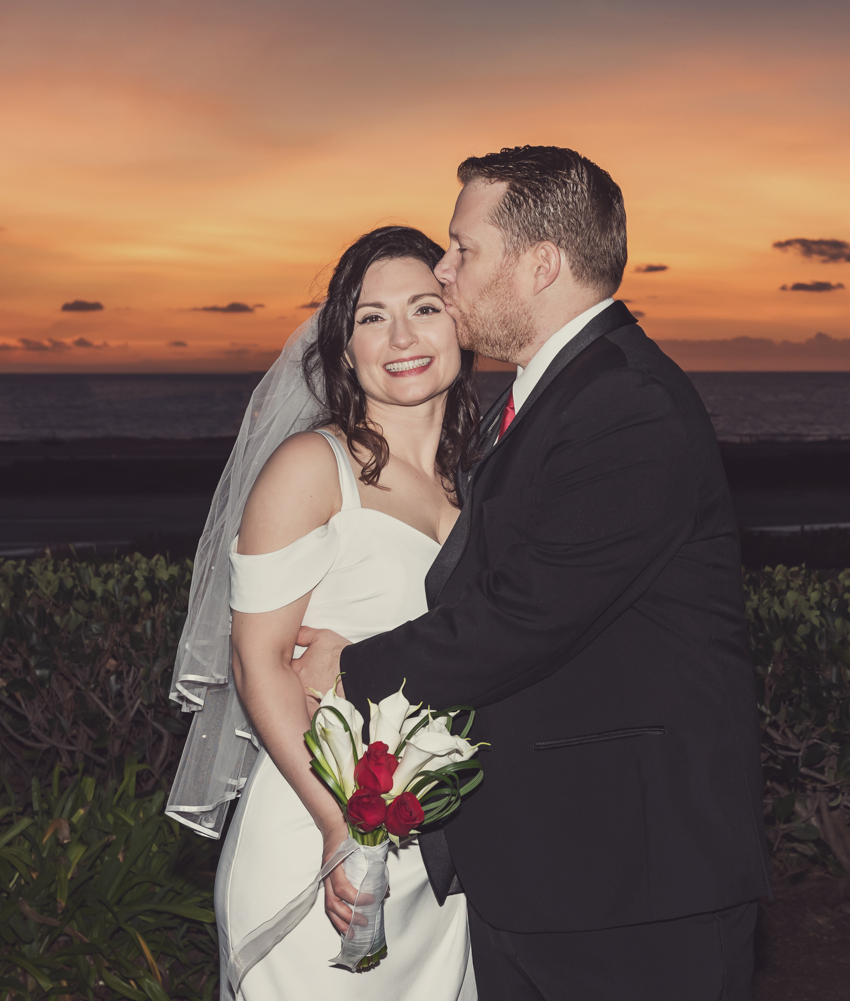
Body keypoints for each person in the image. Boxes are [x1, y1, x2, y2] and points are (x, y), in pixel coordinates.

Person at [295, 146, 771, 1001]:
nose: (447, 269)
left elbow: (527, 614)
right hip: (561, 865)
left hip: (632, 885)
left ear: (540, 264)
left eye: (463, 250)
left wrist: (350, 666)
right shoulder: (560, 396)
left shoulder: (626, 404)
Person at [165, 226, 480, 1000]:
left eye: (425, 308)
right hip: (317, 833)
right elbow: (258, 661)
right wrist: (339, 824)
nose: (402, 336)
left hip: (444, 860)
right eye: (372, 317)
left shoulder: (481, 479)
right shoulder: (311, 467)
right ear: (344, 347)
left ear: (462, 325)